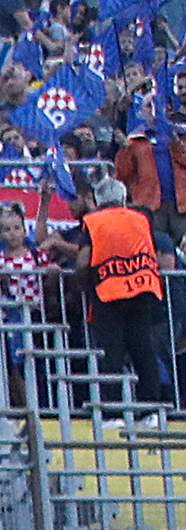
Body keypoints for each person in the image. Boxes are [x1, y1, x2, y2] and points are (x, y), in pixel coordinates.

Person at [69, 175, 173, 417]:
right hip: (143, 290)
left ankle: (114, 412)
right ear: (124, 198)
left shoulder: (93, 221)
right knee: (144, 352)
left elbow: (83, 260)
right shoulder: (141, 219)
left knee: (111, 354)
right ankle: (151, 411)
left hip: (108, 292)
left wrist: (83, 282)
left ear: (98, 200)